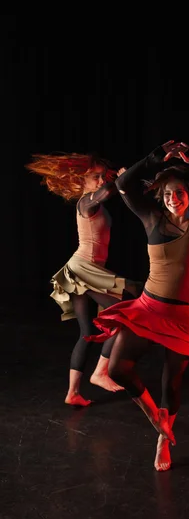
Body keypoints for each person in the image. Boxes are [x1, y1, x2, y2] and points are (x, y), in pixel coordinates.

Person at [85, 140, 189, 471]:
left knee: (172, 381)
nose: (172, 198)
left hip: (185, 314)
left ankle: (162, 443)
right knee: (117, 368)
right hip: (150, 306)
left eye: (178, 192)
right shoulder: (151, 218)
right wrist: (157, 156)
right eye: (167, 194)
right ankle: (156, 417)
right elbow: (124, 184)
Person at [26, 153, 141, 407]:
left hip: (82, 270)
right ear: (83, 182)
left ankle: (72, 393)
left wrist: (124, 178)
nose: (100, 181)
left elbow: (113, 190)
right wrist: (124, 176)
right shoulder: (88, 201)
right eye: (94, 177)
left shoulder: (93, 201)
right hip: (85, 269)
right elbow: (110, 191)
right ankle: (100, 372)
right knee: (123, 316)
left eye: (102, 176)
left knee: (87, 331)